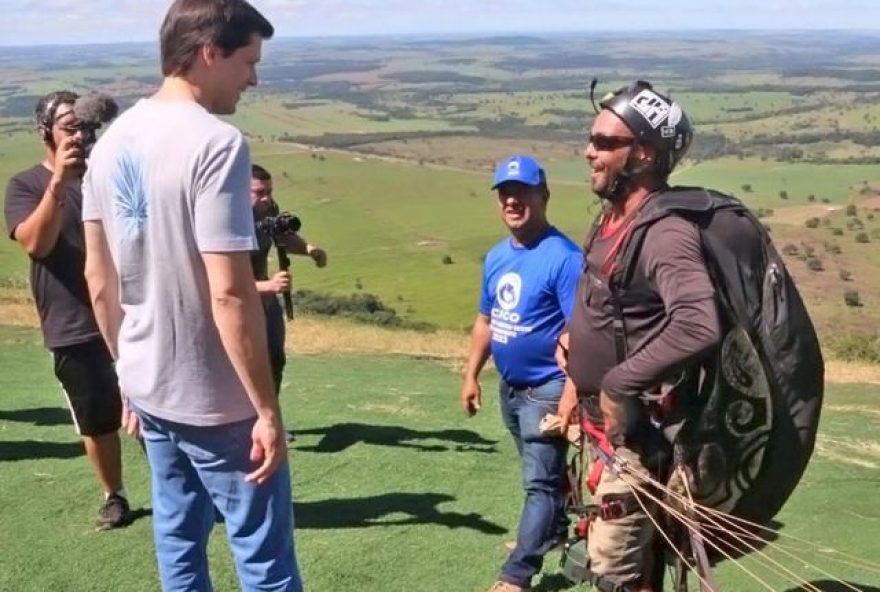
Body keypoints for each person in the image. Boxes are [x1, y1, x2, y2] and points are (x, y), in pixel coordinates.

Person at [80, 1, 303, 590]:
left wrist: (126, 372)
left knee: (179, 540)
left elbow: (99, 281)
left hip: (150, 386)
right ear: (210, 53)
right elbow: (229, 294)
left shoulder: (110, 143)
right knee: (264, 560)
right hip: (217, 399)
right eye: (248, 62)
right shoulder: (217, 144)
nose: (253, 78)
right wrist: (266, 409)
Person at [556, 81, 721, 591]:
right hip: (608, 430)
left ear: (644, 153)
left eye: (605, 142)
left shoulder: (664, 231)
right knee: (633, 564)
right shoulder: (615, 218)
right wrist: (574, 358)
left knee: (617, 573)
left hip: (642, 440)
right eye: (592, 139)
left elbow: (698, 321)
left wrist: (616, 383)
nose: (589, 151)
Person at [3, 90, 131, 530]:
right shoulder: (26, 185)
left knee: (158, 407)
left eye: (86, 126)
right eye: (69, 127)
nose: (81, 134)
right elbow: (36, 243)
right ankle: (114, 495)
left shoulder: (110, 174)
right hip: (73, 322)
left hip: (129, 311)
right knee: (98, 421)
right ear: (45, 133)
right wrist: (59, 183)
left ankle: (182, 491)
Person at [461, 155, 583, 592]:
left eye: (522, 192)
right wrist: (472, 374)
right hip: (510, 389)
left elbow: (579, 334)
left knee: (540, 483)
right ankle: (551, 533)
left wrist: (571, 395)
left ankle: (518, 573)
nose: (512, 200)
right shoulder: (497, 257)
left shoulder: (565, 258)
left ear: (543, 196)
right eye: (504, 193)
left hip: (547, 386)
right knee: (542, 474)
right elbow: (486, 321)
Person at [250, 163, 327, 395]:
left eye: (269, 192)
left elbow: (284, 237)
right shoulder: (226, 220)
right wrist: (269, 286)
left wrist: (310, 250)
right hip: (236, 299)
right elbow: (221, 282)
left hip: (266, 295)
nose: (266, 198)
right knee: (242, 363)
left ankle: (271, 420)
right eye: (259, 193)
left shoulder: (269, 209)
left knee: (275, 358)